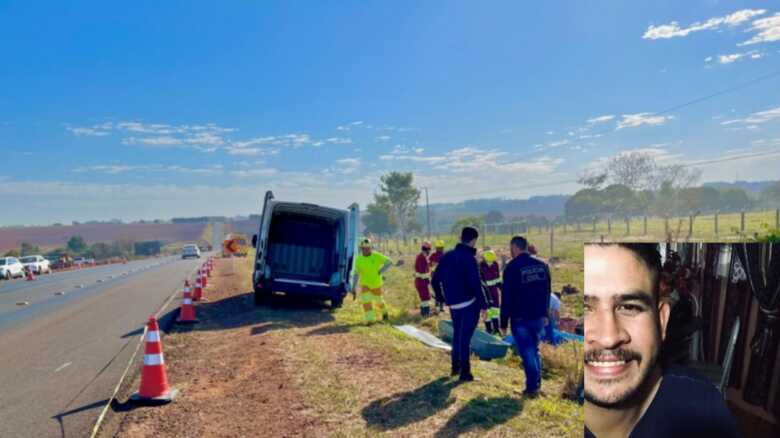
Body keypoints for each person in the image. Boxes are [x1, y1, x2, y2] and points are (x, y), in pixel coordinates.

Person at [584, 243, 741, 438]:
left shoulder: (704, 410)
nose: (608, 338)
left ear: (661, 320)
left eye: (630, 307)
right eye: (582, 308)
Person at [431, 227, 488, 382]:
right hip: (469, 304)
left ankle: (455, 367)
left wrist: (441, 298)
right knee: (465, 339)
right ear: (474, 240)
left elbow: (434, 280)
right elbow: (476, 284)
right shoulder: (469, 258)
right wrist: (484, 305)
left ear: (460, 237)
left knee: (457, 335)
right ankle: (465, 373)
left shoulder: (447, 256)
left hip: (454, 305)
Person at [500, 235, 551, 397]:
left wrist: (503, 322)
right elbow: (547, 291)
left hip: (520, 318)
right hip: (538, 317)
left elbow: (506, 297)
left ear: (515, 247)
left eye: (510, 248)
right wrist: (545, 313)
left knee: (528, 352)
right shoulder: (542, 265)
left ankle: (532, 388)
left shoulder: (512, 267)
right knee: (534, 350)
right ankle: (536, 384)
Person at [352, 238, 393, 323]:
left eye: (368, 248)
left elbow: (389, 262)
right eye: (364, 248)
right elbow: (356, 273)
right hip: (365, 284)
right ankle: (370, 319)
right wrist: (354, 286)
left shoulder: (376, 255)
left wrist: (381, 271)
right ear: (361, 249)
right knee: (366, 301)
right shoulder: (359, 259)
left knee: (379, 301)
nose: (366, 250)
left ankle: (385, 313)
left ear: (371, 248)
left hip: (376, 283)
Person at [479, 250, 502, 334]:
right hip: (484, 293)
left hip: (494, 292)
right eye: (489, 262)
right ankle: (488, 329)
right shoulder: (480, 266)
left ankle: (496, 329)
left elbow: (498, 278)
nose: (490, 263)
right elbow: (480, 281)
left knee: (495, 310)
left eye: (491, 262)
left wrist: (501, 288)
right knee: (486, 311)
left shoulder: (495, 264)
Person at [414, 241, 433, 317]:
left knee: (424, 298)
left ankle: (423, 313)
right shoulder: (422, 258)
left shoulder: (420, 256)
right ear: (427, 250)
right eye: (429, 250)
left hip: (420, 282)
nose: (429, 252)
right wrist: (430, 274)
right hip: (421, 282)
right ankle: (425, 314)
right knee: (426, 299)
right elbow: (422, 274)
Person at [429, 240, 446, 312]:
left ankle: (438, 303)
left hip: (435, 275)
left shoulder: (433, 255)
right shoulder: (445, 255)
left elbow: (429, 264)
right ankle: (440, 305)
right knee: (441, 289)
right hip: (442, 275)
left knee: (437, 289)